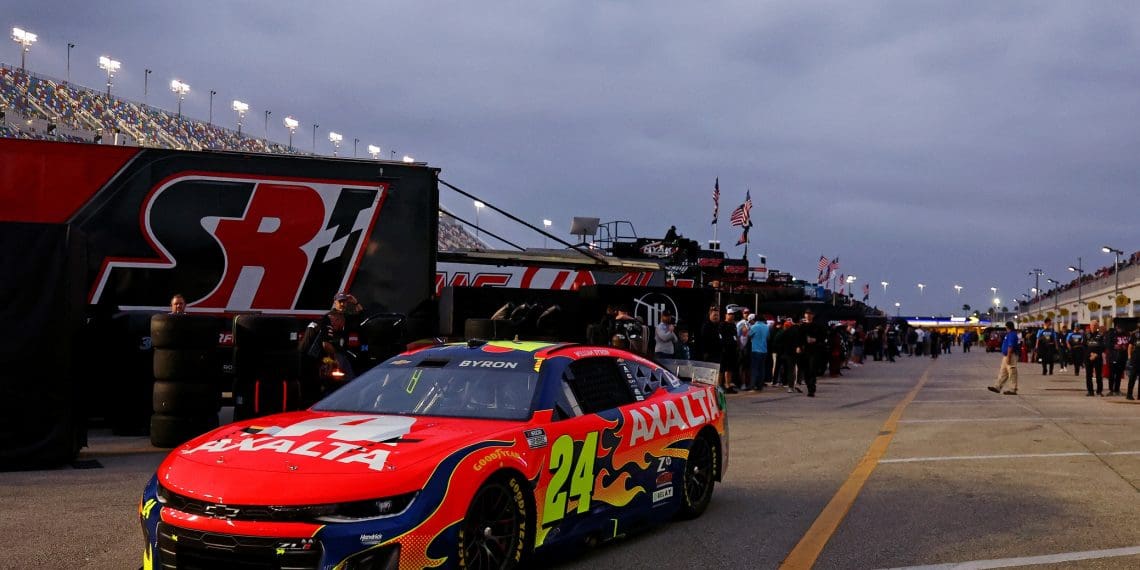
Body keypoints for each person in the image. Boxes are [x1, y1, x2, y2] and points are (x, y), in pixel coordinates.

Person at [988, 321, 1020, 395]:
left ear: (1008, 327)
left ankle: (1013, 389)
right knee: (1003, 372)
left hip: (1010, 355)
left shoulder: (1012, 335)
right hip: (1006, 356)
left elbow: (1010, 346)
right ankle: (997, 387)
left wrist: (1008, 356)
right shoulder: (1009, 334)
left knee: (1012, 372)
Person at [1082, 318, 1106, 396]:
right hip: (1088, 358)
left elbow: (1103, 347)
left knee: (1099, 375)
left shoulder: (1101, 335)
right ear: (1090, 326)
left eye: (1096, 325)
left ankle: (1099, 391)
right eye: (1093, 325)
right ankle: (1090, 391)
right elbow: (1084, 346)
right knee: (1089, 375)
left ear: (1098, 326)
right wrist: (1090, 354)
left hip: (1098, 358)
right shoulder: (1086, 335)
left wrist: (1096, 354)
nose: (1094, 326)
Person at [1107, 321, 1129, 396]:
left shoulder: (1125, 334)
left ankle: (1117, 390)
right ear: (1116, 328)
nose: (1121, 330)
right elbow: (1107, 345)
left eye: (1122, 329)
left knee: (1119, 375)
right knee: (1112, 375)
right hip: (1113, 357)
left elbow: (1128, 344)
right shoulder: (1111, 334)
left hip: (1122, 358)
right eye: (1119, 328)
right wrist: (1115, 346)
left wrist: (1124, 347)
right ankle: (1111, 390)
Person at [747, 314, 770, 390]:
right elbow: (768, 337)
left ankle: (752, 385)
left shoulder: (754, 327)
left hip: (755, 350)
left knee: (754, 368)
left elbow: (748, 335)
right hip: (764, 350)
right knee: (762, 368)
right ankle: (760, 386)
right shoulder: (766, 327)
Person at [1127, 325, 1140, 400]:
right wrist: (1129, 356)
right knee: (1132, 377)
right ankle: (1129, 395)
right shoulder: (1135, 334)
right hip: (1135, 358)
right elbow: (1130, 346)